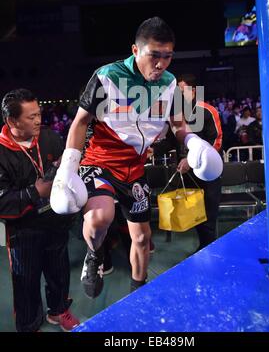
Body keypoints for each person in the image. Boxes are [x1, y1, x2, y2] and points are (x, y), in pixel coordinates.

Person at [50, 17, 223, 299]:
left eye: (167, 56)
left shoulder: (169, 84)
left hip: (135, 168)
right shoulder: (107, 76)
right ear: (135, 50)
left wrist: (192, 141)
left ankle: (137, 292)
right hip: (100, 162)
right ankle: (94, 255)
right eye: (154, 55)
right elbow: (81, 121)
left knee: (143, 238)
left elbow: (178, 125)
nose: (161, 64)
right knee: (100, 217)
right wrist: (68, 167)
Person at [0, 89, 79, 332]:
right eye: (31, 117)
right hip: (23, 230)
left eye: (39, 114)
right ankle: (29, 324)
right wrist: (34, 192)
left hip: (55, 221)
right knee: (26, 282)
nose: (38, 120)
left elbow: (62, 169)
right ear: (12, 121)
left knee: (59, 270)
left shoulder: (49, 137)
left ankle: (58, 310)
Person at [176, 73, 223, 251]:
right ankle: (204, 248)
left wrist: (191, 159)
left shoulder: (208, 110)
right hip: (189, 174)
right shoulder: (178, 114)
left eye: (182, 89)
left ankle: (210, 252)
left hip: (208, 172)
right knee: (196, 214)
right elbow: (172, 139)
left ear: (193, 91)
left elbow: (216, 141)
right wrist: (153, 150)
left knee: (209, 216)